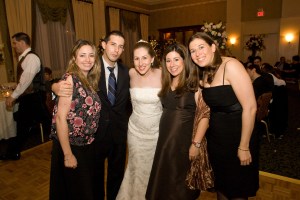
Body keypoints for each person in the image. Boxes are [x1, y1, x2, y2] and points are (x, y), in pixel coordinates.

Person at [52, 30, 130, 200]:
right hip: (94, 138)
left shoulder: (126, 71)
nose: (116, 50)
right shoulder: (93, 68)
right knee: (92, 180)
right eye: (113, 44)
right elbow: (64, 93)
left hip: (117, 134)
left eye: (121, 46)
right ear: (103, 45)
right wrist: (55, 88)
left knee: (116, 175)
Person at [188, 32, 259, 199]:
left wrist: (244, 146)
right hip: (217, 139)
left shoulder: (231, 65)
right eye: (192, 51)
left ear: (213, 47)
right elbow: (205, 109)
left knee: (237, 190)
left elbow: (250, 107)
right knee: (221, 186)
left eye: (201, 47)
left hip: (238, 136)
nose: (197, 53)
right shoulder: (203, 73)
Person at [146, 43, 209, 200]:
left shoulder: (195, 85)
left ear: (185, 60)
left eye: (176, 59)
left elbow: (205, 116)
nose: (172, 65)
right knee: (164, 182)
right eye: (168, 61)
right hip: (165, 141)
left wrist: (196, 144)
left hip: (182, 143)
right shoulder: (167, 83)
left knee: (179, 184)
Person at [49, 39, 101, 200]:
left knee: (80, 190)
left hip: (86, 145)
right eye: (82, 55)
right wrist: (67, 154)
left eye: (91, 55)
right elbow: (60, 119)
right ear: (74, 58)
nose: (87, 59)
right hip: (71, 145)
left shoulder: (89, 80)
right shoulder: (70, 79)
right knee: (78, 192)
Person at [116, 40, 162, 200]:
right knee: (135, 168)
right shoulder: (130, 74)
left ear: (152, 59)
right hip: (135, 132)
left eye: (144, 58)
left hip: (156, 134)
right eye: (136, 58)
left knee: (153, 169)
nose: (140, 63)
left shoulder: (164, 74)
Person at [0, 32, 46, 160]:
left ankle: (12, 152)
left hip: (34, 97)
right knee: (26, 125)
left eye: (15, 43)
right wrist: (15, 86)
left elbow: (26, 81)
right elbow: (26, 80)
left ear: (21, 42)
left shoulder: (31, 58)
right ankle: (13, 152)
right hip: (31, 97)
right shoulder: (25, 58)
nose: (14, 46)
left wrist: (13, 96)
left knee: (24, 125)